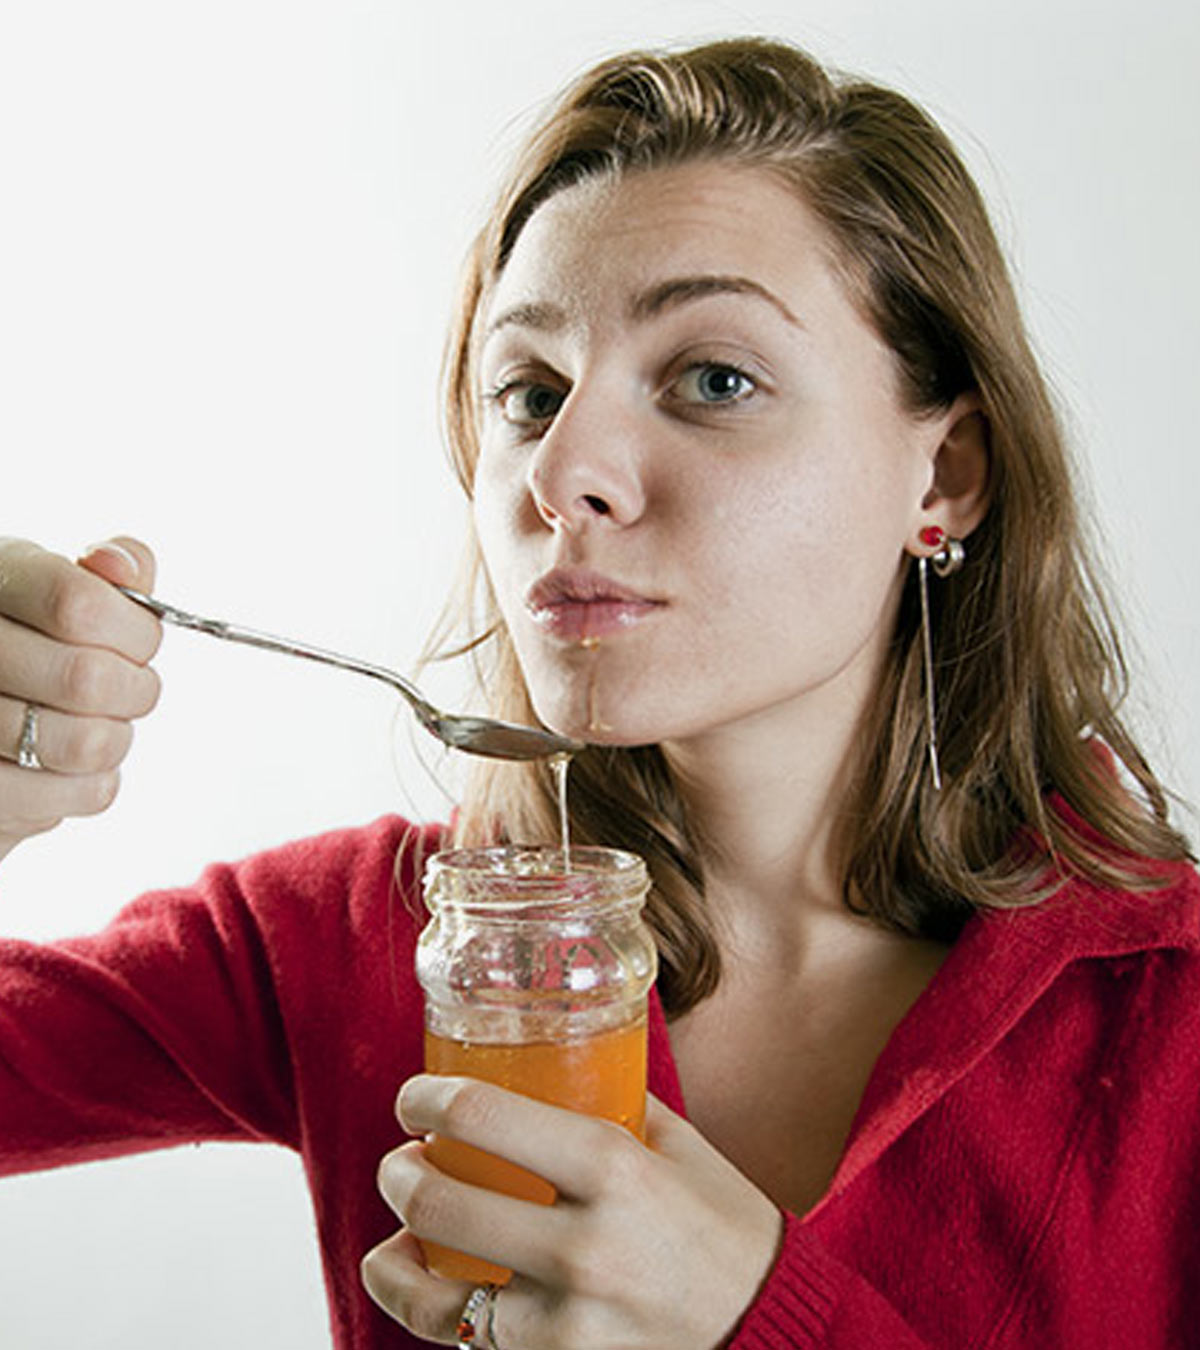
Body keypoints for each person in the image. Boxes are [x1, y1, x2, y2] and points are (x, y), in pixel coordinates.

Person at [1, 35, 1196, 1350]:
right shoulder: (351, 944)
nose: (562, 471)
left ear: (945, 475)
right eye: (529, 390)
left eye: (714, 379)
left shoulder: (1171, 1017)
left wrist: (754, 1319)